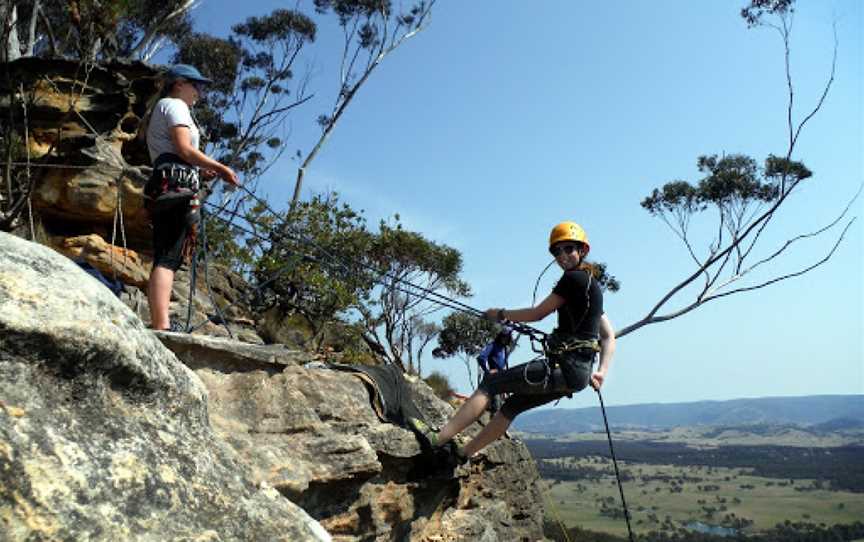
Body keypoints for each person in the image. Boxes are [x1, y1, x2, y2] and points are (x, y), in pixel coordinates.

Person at [413, 221, 616, 461]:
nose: (562, 256)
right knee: (512, 407)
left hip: (565, 367)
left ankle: (437, 438)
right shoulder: (593, 286)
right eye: (556, 251)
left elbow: (538, 313)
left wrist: (500, 314)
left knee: (491, 384)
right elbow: (607, 335)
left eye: (568, 248)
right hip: (578, 376)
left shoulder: (573, 279)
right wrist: (601, 371)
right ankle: (463, 454)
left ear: (582, 250)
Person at [143, 64, 239, 331]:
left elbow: (175, 153)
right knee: (168, 258)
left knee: (166, 255)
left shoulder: (164, 107)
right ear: (179, 84)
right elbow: (184, 149)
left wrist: (201, 171)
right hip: (176, 188)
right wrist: (221, 169)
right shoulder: (175, 106)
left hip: (167, 184)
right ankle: (161, 325)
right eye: (196, 85)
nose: (200, 92)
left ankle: (159, 322)